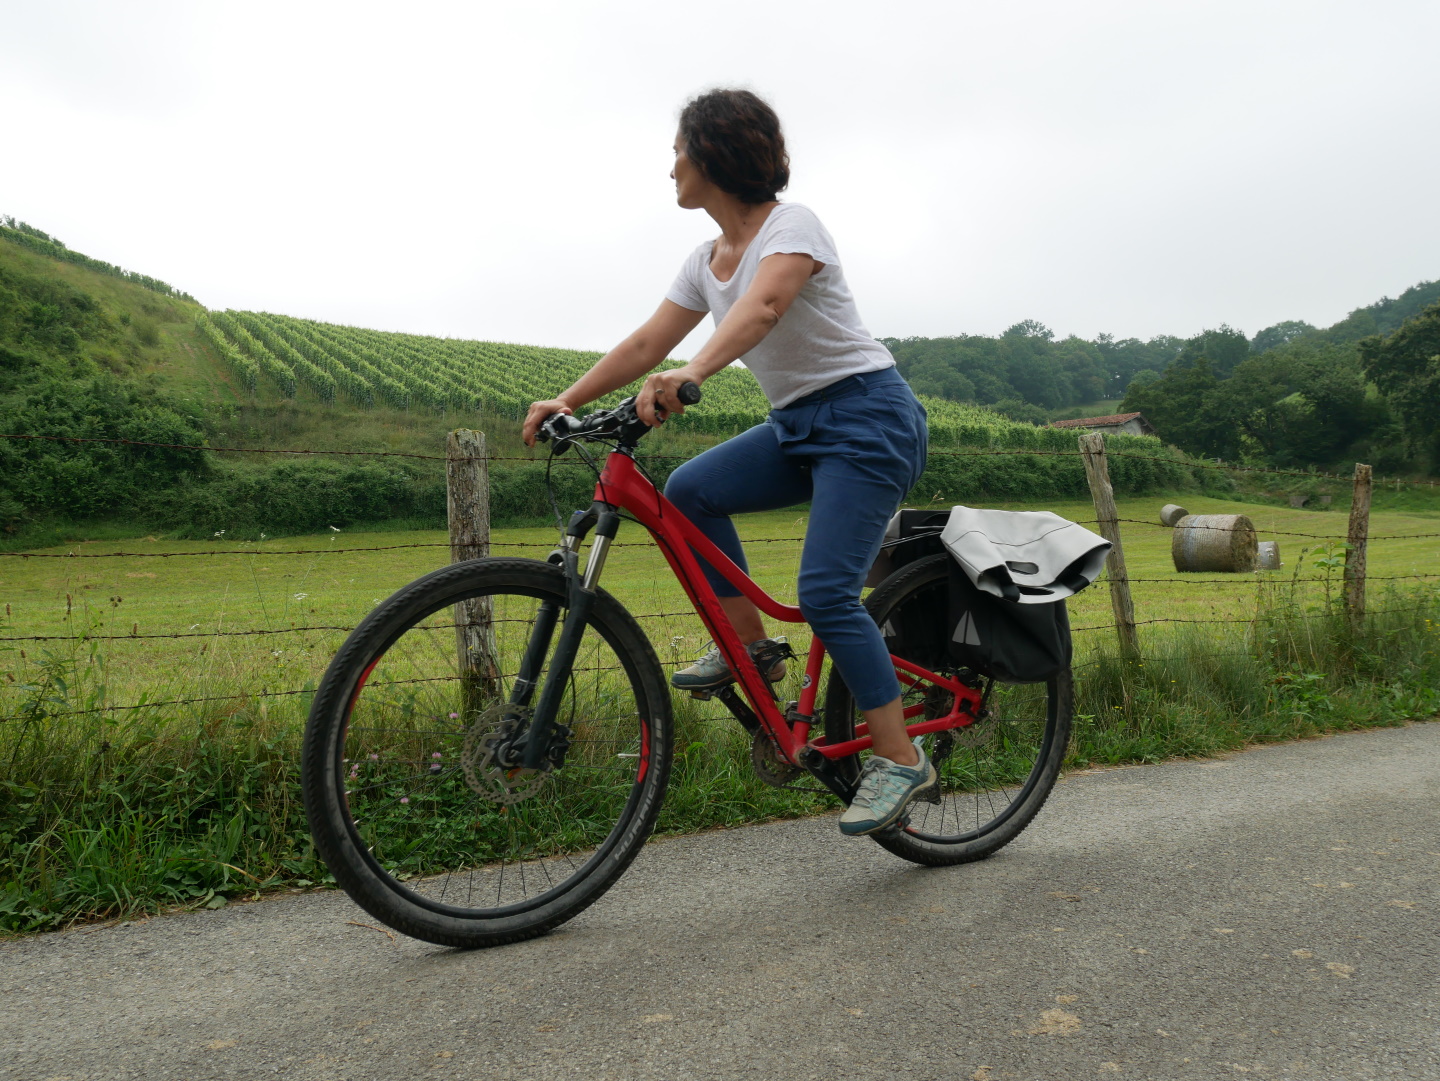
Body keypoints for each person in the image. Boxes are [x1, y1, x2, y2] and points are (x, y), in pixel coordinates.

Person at [523, 88, 932, 836]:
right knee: (690, 489)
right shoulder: (704, 260)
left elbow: (766, 306)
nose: (671, 165)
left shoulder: (793, 225)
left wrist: (696, 373)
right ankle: (752, 646)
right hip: (800, 424)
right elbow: (647, 343)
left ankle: (900, 756)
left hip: (869, 418)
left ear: (712, 153)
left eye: (679, 150)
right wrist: (566, 397)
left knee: (828, 592)